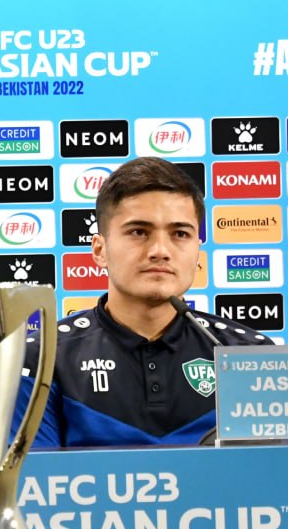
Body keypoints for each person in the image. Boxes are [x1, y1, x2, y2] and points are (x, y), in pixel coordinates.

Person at [15, 156, 271, 447]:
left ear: (197, 250)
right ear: (99, 250)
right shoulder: (40, 359)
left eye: (180, 234)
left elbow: (275, 472)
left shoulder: (250, 356)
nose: (160, 250)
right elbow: (36, 475)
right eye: (139, 232)